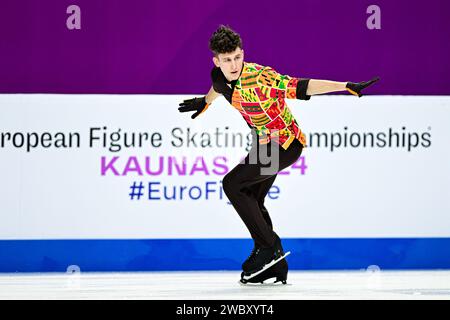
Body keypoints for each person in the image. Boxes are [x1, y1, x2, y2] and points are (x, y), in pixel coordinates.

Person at [178, 25, 379, 284]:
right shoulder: (218, 76)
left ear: (243, 53)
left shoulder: (261, 77)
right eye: (227, 60)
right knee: (252, 196)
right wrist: (204, 102)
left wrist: (344, 86)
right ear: (217, 61)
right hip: (265, 141)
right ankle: (275, 265)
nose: (234, 64)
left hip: (285, 143)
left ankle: (270, 247)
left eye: (237, 57)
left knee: (233, 184)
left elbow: (301, 86)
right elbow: (217, 88)